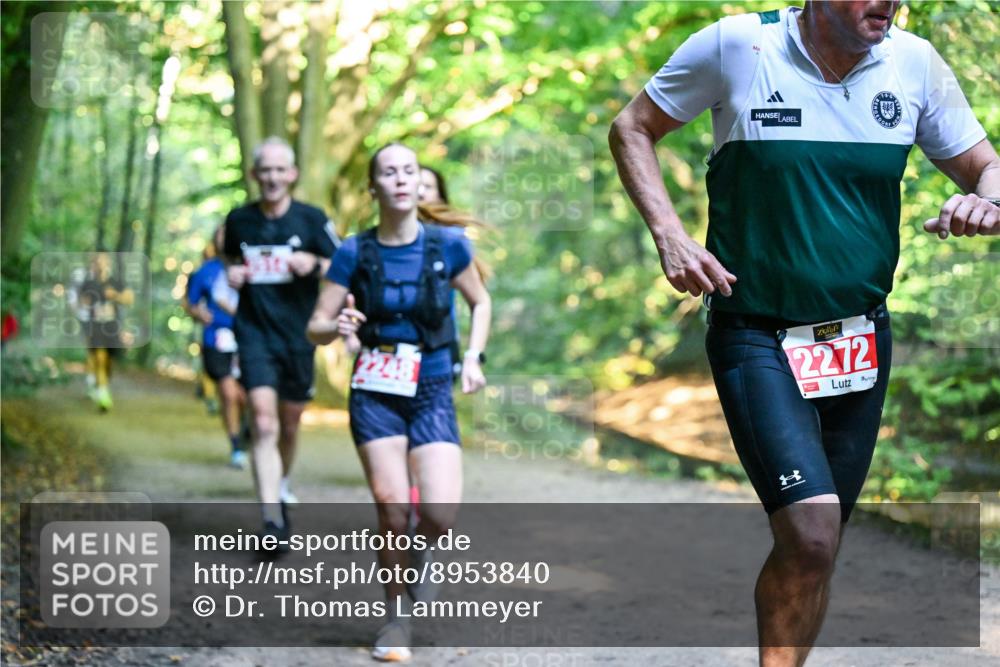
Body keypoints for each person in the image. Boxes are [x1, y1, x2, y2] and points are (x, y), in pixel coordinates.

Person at [609, 2, 998, 665]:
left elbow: (986, 167)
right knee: (813, 535)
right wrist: (669, 234)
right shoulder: (738, 47)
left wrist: (984, 200)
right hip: (756, 330)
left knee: (819, 544)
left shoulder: (914, 64)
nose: (890, 2)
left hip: (858, 337)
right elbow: (632, 128)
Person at [308, 143, 491, 662]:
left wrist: (473, 356)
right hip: (375, 388)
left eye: (409, 171)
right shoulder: (353, 252)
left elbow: (480, 301)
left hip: (432, 386)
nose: (401, 179)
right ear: (374, 187)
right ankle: (396, 622)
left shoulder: (447, 246)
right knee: (391, 509)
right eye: (389, 172)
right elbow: (316, 326)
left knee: (439, 511)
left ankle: (419, 554)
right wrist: (337, 326)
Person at [223, 136, 340, 544]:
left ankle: (282, 480)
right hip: (254, 333)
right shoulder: (238, 220)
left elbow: (342, 267)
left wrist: (314, 263)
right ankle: (271, 517)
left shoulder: (311, 220)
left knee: (289, 424)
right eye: (265, 170)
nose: (272, 177)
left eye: (279, 170)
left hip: (299, 335)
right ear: (254, 174)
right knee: (264, 420)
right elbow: (230, 266)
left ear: (292, 174)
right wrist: (233, 275)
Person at [186, 226, 248, 469]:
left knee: (244, 395)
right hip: (216, 339)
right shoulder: (206, 271)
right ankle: (235, 445)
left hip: (247, 340)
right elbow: (190, 303)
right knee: (228, 392)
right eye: (221, 235)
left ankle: (246, 431)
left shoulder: (251, 267)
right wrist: (197, 312)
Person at [78, 252, 135, 412]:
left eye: (103, 261)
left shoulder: (115, 282)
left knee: (108, 361)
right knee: (99, 357)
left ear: (108, 263)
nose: (100, 264)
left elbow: (130, 299)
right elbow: (81, 303)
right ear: (93, 264)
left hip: (112, 327)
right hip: (94, 326)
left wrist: (115, 295)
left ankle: (100, 383)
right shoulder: (88, 283)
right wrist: (85, 303)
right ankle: (103, 394)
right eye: (97, 261)